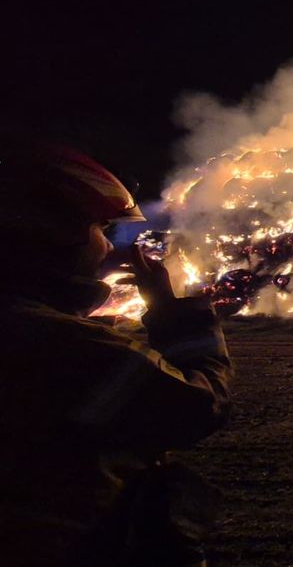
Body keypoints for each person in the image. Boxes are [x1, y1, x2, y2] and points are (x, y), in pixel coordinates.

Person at [0, 146, 233, 567]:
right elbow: (195, 406)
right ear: (55, 234)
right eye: (100, 227)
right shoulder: (63, 346)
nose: (108, 245)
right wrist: (175, 315)